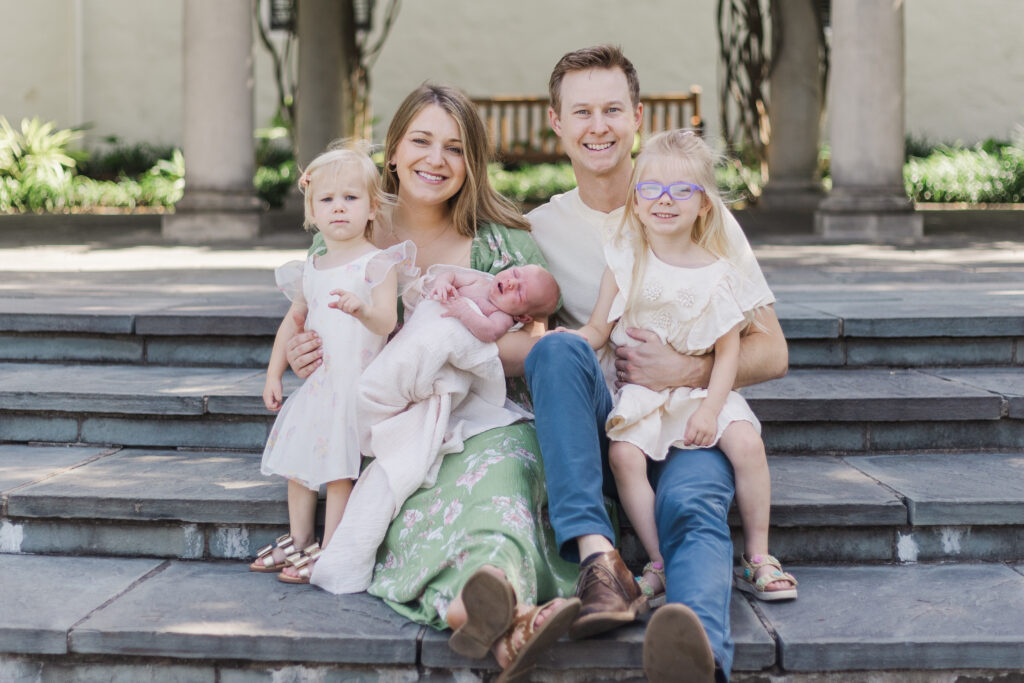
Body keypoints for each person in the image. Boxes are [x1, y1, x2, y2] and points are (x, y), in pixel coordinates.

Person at [284, 84, 580, 682]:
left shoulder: (503, 241)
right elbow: (308, 318)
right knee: (420, 498)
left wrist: (446, 340)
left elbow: (536, 347)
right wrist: (299, 351)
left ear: (471, 163)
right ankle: (498, 616)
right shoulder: (347, 223)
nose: (435, 159)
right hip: (378, 424)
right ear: (393, 151)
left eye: (454, 147)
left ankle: (488, 599)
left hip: (482, 414)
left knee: (498, 481)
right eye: (421, 141)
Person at [525, 46, 789, 682]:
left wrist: (686, 372)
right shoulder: (537, 228)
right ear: (556, 122)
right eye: (582, 111)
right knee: (557, 346)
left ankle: (695, 651)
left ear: (637, 117)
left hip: (688, 416)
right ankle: (599, 562)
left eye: (613, 109)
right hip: (599, 426)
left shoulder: (703, 215)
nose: (599, 125)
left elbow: (772, 350)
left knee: (695, 504)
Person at [550, 129, 797, 609]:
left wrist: (710, 409)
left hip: (704, 392)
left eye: (681, 190)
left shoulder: (720, 270)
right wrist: (569, 340)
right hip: (643, 393)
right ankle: (658, 560)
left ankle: (759, 555)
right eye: (650, 189)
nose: (664, 200)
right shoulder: (625, 260)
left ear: (704, 204)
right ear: (636, 202)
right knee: (623, 457)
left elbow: (729, 352)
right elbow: (600, 327)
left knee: (746, 441)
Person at [309, 263, 561, 594]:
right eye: (514, 274)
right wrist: (442, 285)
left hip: (440, 366)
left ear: (524, 318)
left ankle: (492, 587)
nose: (510, 283)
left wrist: (459, 311)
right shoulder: (481, 280)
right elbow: (449, 277)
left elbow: (484, 334)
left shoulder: (502, 318)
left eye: (520, 292)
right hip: (395, 352)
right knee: (380, 381)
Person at [249, 142, 416, 584]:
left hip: (355, 386)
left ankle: (331, 546)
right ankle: (299, 539)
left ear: (371, 207)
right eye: (326, 200)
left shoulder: (378, 263)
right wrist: (274, 372)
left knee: (340, 472)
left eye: (350, 198)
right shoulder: (313, 266)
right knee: (299, 467)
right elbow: (294, 321)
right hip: (319, 386)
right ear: (312, 211)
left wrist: (361, 308)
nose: (338, 208)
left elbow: (386, 321)